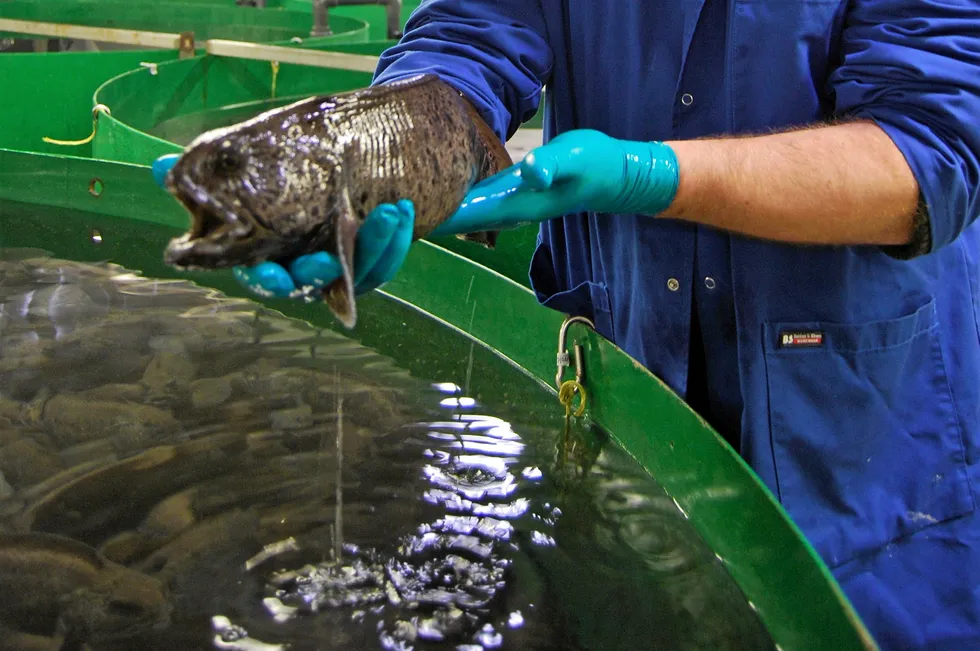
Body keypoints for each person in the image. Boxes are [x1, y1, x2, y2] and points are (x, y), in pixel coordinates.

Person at [153, 1, 980, 647]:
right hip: (626, 371)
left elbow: (931, 153)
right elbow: (472, 37)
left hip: (858, 442)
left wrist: (651, 175)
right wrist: (383, 146)